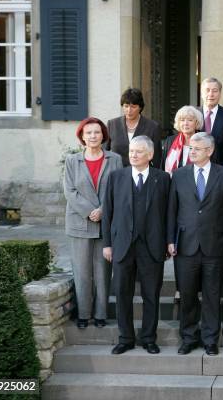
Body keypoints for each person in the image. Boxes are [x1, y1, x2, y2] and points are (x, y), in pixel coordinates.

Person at [102, 136, 170, 355]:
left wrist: (169, 242)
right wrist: (107, 244)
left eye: (139, 152)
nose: (133, 155)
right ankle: (125, 338)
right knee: (122, 294)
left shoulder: (163, 179)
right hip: (123, 245)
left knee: (151, 294)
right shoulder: (116, 178)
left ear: (150, 155)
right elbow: (108, 213)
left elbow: (170, 214)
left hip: (152, 246)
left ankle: (149, 338)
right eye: (131, 151)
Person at [167, 132, 223, 356]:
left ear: (210, 151)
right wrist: (170, 240)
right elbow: (171, 211)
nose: (191, 151)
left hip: (215, 245)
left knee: (212, 295)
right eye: (190, 148)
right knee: (187, 295)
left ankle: (210, 339)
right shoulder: (179, 175)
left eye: (197, 148)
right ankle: (188, 337)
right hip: (185, 245)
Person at [63, 117, 123, 329]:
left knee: (103, 272)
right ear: (82, 137)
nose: (93, 136)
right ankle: (83, 314)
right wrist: (90, 211)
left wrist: (103, 211)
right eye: (88, 133)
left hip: (106, 223)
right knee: (81, 271)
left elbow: (119, 188)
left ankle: (100, 315)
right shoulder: (72, 161)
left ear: (103, 135)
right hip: (80, 223)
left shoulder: (114, 159)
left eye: (96, 132)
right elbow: (69, 191)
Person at [105, 88, 163, 169]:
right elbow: (104, 153)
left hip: (142, 175)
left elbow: (157, 158)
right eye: (126, 106)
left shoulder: (152, 127)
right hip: (117, 175)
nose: (129, 110)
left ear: (140, 107)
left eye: (133, 107)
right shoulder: (112, 124)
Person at [162, 106, 203, 175]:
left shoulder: (203, 141)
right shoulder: (170, 141)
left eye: (190, 120)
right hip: (173, 183)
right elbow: (163, 167)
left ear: (196, 122)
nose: (185, 123)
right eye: (182, 120)